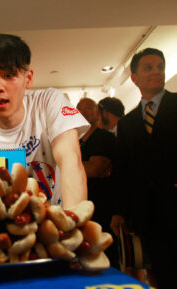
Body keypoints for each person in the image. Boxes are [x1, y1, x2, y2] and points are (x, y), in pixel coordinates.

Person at [0, 33, 89, 209]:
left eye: (9, 75)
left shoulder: (48, 102)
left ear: (28, 78)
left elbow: (71, 159)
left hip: (58, 221)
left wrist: (74, 224)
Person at [110, 48, 176, 288]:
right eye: (148, 67)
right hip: (149, 213)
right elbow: (123, 169)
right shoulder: (127, 123)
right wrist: (119, 211)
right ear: (134, 78)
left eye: (160, 66)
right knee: (160, 271)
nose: (156, 72)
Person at [76, 97, 118, 267]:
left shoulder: (105, 138)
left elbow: (94, 169)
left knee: (106, 256)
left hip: (103, 207)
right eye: (80, 108)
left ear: (98, 113)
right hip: (80, 207)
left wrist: (70, 165)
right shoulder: (75, 141)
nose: (84, 112)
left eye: (89, 108)